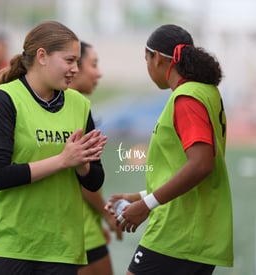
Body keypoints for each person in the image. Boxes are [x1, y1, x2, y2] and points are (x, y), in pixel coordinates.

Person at [0, 20, 107, 275]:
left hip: (61, 248)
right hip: (7, 245)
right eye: (69, 60)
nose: (75, 69)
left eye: (77, 62)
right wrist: (63, 160)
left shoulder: (79, 105)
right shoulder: (4, 99)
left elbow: (95, 180)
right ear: (42, 56)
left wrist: (83, 165)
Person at [105, 24, 233, 275]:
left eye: (146, 59)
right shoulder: (206, 91)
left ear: (159, 59)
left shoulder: (186, 98)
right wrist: (140, 196)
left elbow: (201, 164)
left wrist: (146, 205)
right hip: (196, 232)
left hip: (178, 234)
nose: (148, 67)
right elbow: (182, 168)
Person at [69, 41, 121, 275]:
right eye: (94, 64)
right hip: (76, 230)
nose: (99, 72)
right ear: (74, 67)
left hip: (82, 225)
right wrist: (106, 215)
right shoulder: (69, 107)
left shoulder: (73, 105)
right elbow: (81, 175)